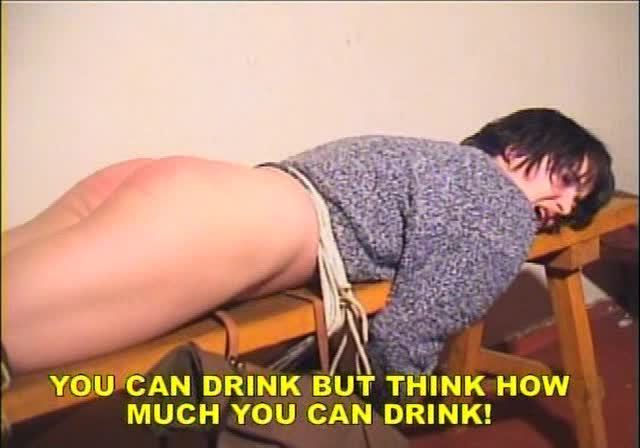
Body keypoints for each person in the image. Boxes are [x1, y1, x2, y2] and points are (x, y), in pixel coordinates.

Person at [1, 108, 614, 386]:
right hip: (223, 223)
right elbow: (404, 340)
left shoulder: (426, 161)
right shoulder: (498, 207)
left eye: (578, 205)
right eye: (566, 180)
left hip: (183, 188)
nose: (564, 209)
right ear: (517, 150)